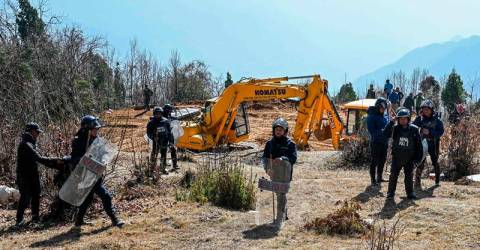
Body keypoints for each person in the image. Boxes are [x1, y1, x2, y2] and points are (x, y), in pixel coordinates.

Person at [71, 116, 124, 227]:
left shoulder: (96, 140)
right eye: (94, 129)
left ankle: (78, 221)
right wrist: (85, 159)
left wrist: (104, 159)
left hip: (96, 173)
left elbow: (104, 152)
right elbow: (74, 159)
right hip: (85, 175)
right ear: (87, 129)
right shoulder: (78, 141)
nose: (97, 131)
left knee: (87, 199)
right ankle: (115, 219)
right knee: (106, 196)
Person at [16, 123, 64, 226]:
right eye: (37, 132)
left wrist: (55, 163)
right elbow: (40, 158)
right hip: (24, 177)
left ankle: (35, 218)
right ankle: (19, 220)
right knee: (25, 198)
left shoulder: (32, 143)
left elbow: (40, 158)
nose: (38, 134)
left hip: (33, 175)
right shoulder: (25, 144)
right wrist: (57, 162)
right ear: (31, 131)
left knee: (36, 195)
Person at [262, 118, 297, 229]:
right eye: (277, 129)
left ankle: (279, 218)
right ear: (274, 130)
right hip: (274, 173)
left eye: (281, 129)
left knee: (281, 193)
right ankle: (283, 212)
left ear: (285, 131)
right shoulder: (269, 144)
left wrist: (283, 159)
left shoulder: (290, 144)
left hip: (285, 174)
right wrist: (267, 169)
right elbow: (265, 158)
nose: (278, 131)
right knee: (279, 194)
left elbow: (293, 158)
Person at [383, 108, 423, 200]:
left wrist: (417, 159)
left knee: (409, 176)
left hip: (410, 158)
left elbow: (419, 145)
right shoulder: (395, 129)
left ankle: (410, 193)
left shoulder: (414, 129)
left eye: (405, 118)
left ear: (408, 119)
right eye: (400, 119)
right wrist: (391, 122)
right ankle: (390, 193)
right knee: (393, 175)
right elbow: (385, 134)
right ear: (398, 119)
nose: (403, 120)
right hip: (397, 157)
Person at [413, 100, 445, 187]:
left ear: (431, 110)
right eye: (424, 109)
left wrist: (430, 132)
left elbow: (441, 131)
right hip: (422, 143)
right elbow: (412, 128)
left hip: (433, 143)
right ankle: (417, 181)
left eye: (427, 109)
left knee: (435, 161)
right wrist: (419, 131)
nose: (425, 111)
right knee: (420, 161)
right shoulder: (419, 118)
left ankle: (437, 180)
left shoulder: (437, 120)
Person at [366, 97, 389, 185]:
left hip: (384, 142)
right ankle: (373, 179)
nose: (383, 109)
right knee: (374, 160)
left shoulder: (384, 116)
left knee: (382, 160)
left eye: (384, 108)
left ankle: (379, 177)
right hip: (376, 142)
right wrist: (382, 132)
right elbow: (372, 130)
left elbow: (387, 127)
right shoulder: (371, 116)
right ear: (377, 106)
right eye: (382, 107)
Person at [147, 107, 174, 176]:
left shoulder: (165, 121)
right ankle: (152, 168)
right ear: (154, 114)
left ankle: (163, 168)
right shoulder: (151, 122)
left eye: (159, 113)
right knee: (154, 154)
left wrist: (171, 141)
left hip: (164, 141)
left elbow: (170, 132)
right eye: (156, 113)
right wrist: (153, 137)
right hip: (156, 141)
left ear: (161, 113)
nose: (157, 115)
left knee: (163, 155)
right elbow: (148, 132)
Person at [163, 104, 178, 171]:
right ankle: (163, 166)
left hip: (170, 135)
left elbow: (173, 122)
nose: (170, 111)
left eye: (170, 110)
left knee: (173, 149)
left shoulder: (169, 117)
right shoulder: (162, 117)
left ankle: (175, 165)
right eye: (169, 110)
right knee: (163, 151)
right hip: (163, 136)